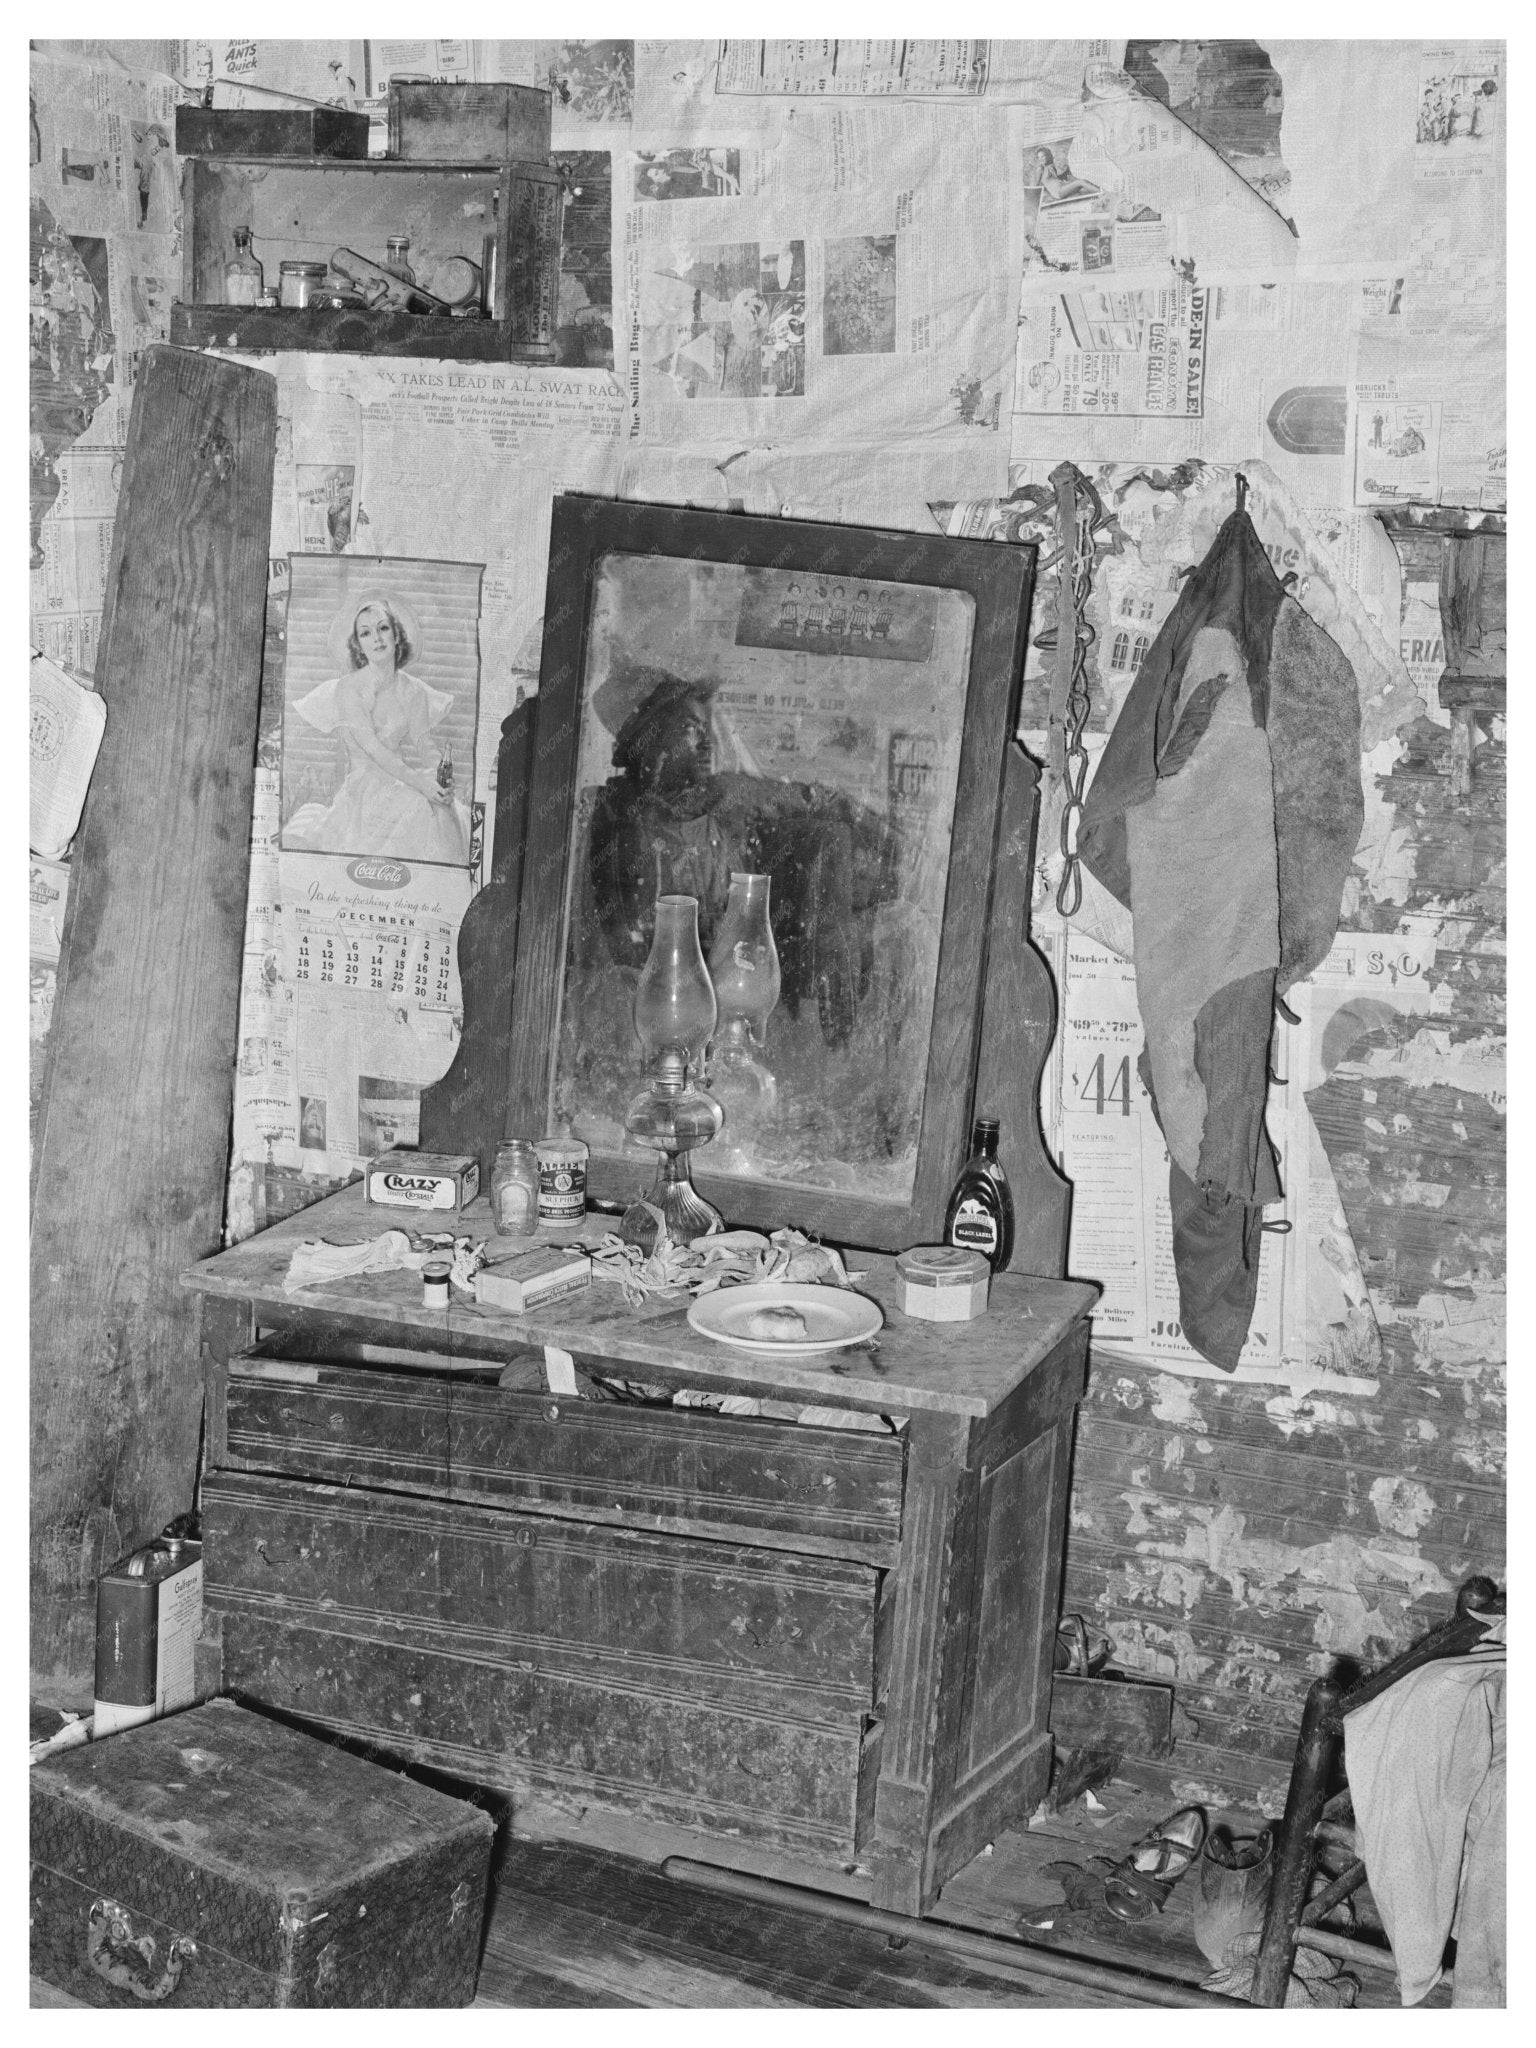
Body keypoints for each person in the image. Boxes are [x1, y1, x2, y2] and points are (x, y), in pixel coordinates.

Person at [584, 667, 903, 1046]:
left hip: (737, 1001)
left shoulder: (724, 799)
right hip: (655, 1016)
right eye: (690, 727)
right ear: (647, 740)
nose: (706, 742)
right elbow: (618, 943)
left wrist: (890, 842)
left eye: (706, 728)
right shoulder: (614, 819)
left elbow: (815, 800)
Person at [284, 595, 471, 865]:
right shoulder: (348, 689)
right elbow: (374, 750)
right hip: (366, 787)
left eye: (383, 628)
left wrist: (442, 778)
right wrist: (422, 784)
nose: (377, 639)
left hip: (401, 780)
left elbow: (424, 744)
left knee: (444, 806)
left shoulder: (413, 691)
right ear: (359, 645)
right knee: (419, 807)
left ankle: (446, 882)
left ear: (396, 635)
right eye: (366, 633)